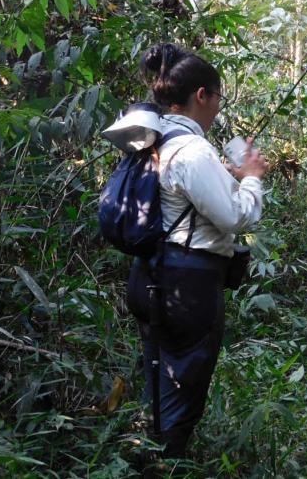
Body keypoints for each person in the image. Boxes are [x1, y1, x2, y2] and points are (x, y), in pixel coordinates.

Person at [126, 43, 268, 458]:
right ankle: (167, 462)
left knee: (158, 373)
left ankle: (146, 448)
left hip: (149, 274)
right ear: (202, 96)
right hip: (188, 283)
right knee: (185, 381)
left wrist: (223, 178)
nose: (219, 108)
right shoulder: (193, 150)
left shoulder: (153, 141)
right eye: (218, 97)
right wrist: (253, 178)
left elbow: (178, 199)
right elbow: (235, 217)